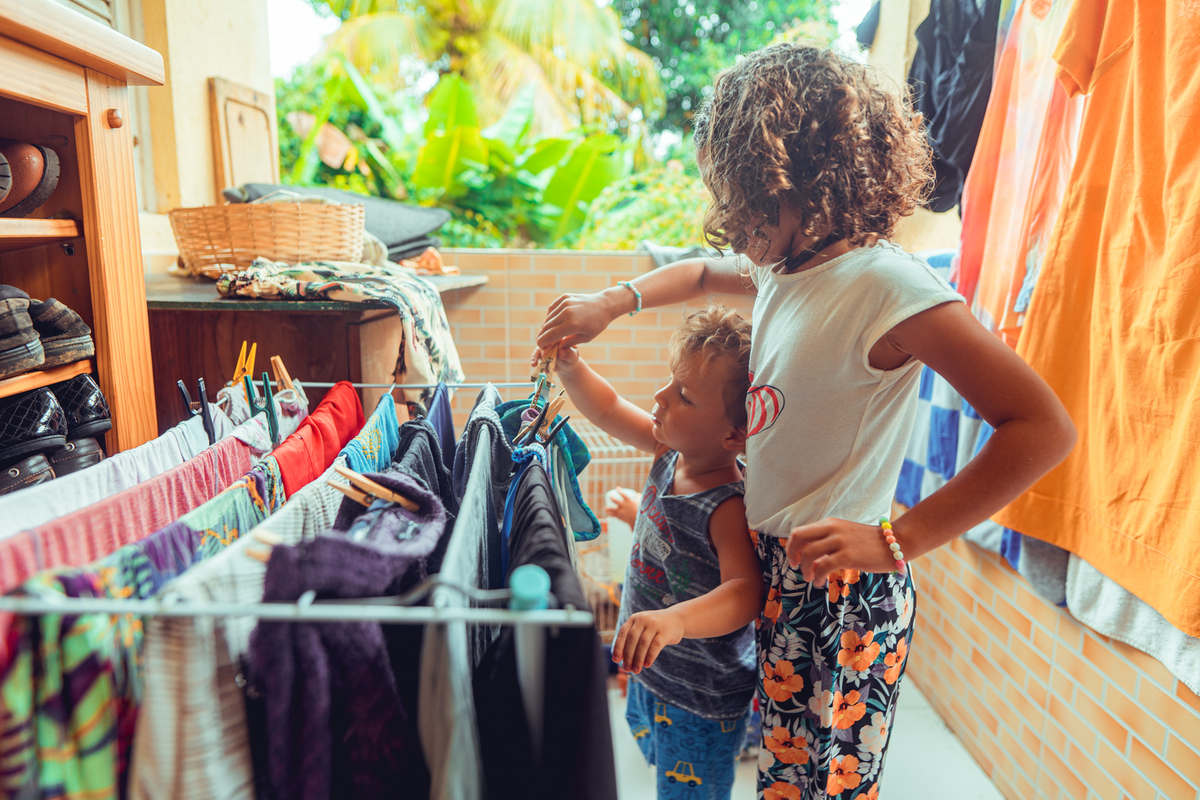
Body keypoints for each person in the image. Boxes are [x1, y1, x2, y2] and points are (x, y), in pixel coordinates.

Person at [535, 44, 1076, 798]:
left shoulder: (888, 287)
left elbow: (1043, 427)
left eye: (752, 203)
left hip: (845, 587)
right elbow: (695, 271)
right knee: (787, 778)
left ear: (801, 183)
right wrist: (612, 302)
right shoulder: (784, 270)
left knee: (828, 788)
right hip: (782, 573)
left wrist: (900, 538)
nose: (736, 225)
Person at [535, 304, 763, 800]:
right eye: (669, 382)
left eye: (682, 395)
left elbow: (746, 592)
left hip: (698, 694)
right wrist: (571, 367)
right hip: (653, 670)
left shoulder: (727, 505)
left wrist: (676, 621)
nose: (660, 397)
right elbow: (610, 407)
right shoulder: (671, 453)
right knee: (657, 758)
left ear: (734, 434)